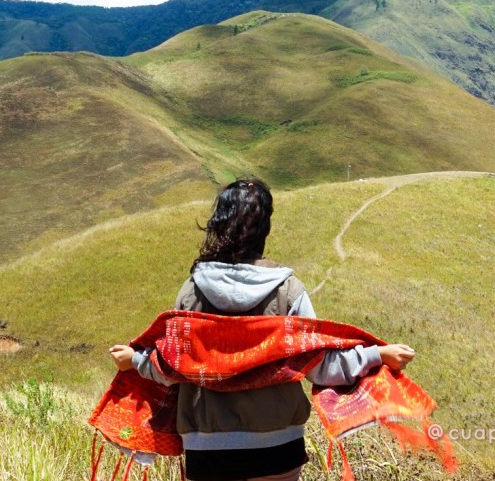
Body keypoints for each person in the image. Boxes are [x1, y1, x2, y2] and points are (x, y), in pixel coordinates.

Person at [109, 178, 416, 481]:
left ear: (218, 223)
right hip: (277, 447)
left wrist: (134, 360)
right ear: (265, 228)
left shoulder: (191, 293)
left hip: (208, 451)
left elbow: (170, 368)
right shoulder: (289, 292)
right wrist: (377, 354)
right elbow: (320, 367)